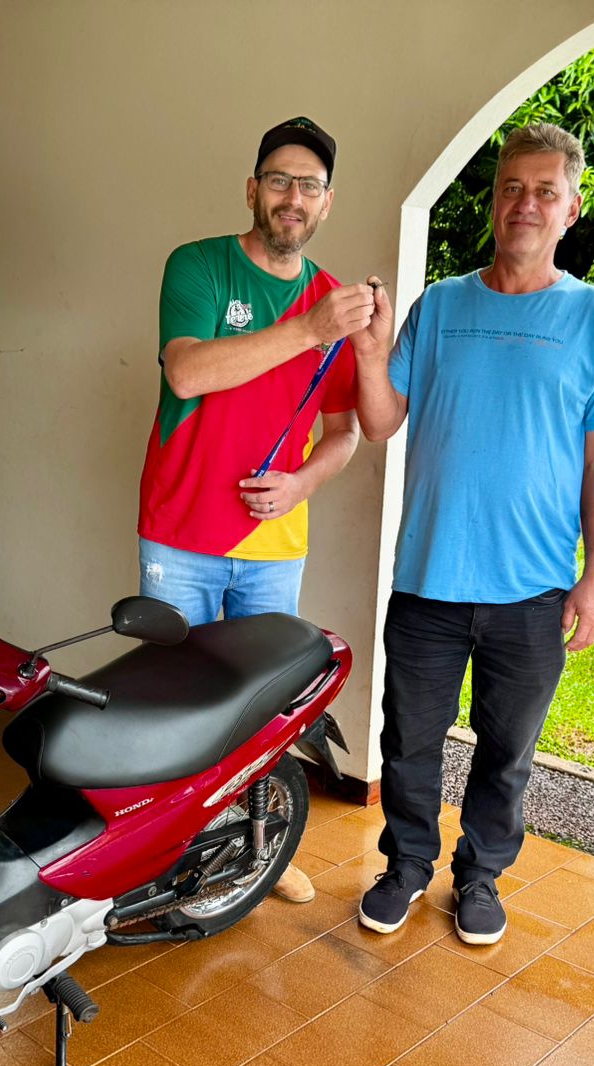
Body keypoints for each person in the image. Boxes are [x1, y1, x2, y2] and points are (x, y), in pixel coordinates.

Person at [350, 123, 594, 943]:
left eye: (546, 191)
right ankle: (406, 867)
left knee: (506, 752)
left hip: (534, 588)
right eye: (513, 187)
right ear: (494, 201)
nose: (526, 204)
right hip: (429, 579)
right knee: (408, 742)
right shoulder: (441, 306)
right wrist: (371, 353)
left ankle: (479, 877)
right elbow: (380, 422)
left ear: (571, 209)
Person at [137, 116, 371, 904]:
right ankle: (166, 848)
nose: (292, 197)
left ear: (326, 203)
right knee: (175, 699)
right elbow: (187, 373)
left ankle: (255, 841)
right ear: (253, 190)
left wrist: (303, 484)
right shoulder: (199, 266)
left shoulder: (334, 302)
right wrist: (306, 330)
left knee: (262, 705)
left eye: (309, 185)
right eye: (279, 180)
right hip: (181, 533)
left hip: (274, 544)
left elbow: (346, 434)